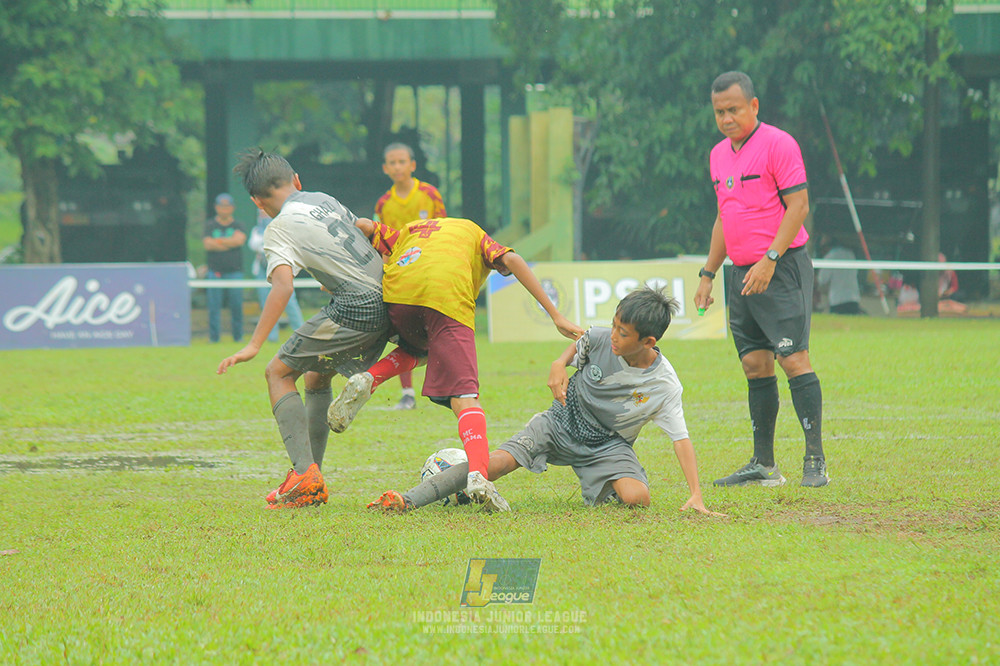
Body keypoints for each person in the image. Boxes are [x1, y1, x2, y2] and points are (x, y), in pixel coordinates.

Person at [367, 287, 726, 517]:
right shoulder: (600, 339)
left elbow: (680, 439)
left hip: (607, 445)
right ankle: (409, 499)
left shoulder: (664, 385)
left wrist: (696, 494)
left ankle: (596, 480)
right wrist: (558, 364)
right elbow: (576, 346)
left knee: (637, 499)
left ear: (648, 341)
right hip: (559, 423)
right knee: (493, 466)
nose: (613, 336)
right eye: (614, 325)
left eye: (624, 333)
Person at [326, 215, 584, 505]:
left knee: (420, 348)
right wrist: (555, 315)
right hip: (446, 298)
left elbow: (362, 226)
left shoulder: (411, 229)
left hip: (399, 297)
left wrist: (337, 279)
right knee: (465, 397)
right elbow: (513, 260)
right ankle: (478, 476)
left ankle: (370, 377)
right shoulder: (474, 233)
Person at [217, 149, 391, 509]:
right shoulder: (323, 199)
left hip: (356, 307)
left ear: (257, 202)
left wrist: (253, 344)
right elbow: (362, 234)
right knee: (315, 376)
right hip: (389, 297)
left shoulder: (276, 228)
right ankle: (311, 478)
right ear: (297, 180)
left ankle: (303, 475)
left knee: (277, 372)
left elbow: (282, 287)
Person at [694, 71, 829, 488]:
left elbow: (799, 206)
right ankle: (764, 465)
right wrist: (708, 273)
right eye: (719, 111)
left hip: (781, 268)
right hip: (740, 274)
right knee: (755, 364)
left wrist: (770, 259)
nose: (726, 118)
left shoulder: (778, 144)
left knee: (793, 358)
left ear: (753, 106)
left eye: (734, 109)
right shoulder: (718, 155)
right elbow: (724, 218)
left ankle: (815, 460)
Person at [374, 142, 447, 411]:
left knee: (436, 328)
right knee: (403, 330)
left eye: (402, 161)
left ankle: (444, 387)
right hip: (400, 273)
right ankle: (407, 393)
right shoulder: (384, 203)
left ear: (412, 165)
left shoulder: (429, 194)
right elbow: (381, 240)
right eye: (392, 163)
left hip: (429, 269)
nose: (397, 167)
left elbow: (443, 229)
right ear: (385, 168)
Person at [248, 209, 305, 342]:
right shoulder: (257, 229)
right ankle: (271, 336)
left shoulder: (282, 227)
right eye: (261, 212)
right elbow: (254, 244)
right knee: (266, 302)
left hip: (279, 268)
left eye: (265, 212)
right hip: (262, 269)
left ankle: (301, 333)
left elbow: (276, 243)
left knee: (289, 301)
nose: (263, 214)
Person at [203, 193, 247, 343]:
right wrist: (229, 242)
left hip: (235, 272)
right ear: (216, 208)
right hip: (214, 272)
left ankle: (238, 337)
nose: (224, 210)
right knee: (214, 307)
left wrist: (218, 242)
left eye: (227, 206)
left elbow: (239, 241)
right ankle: (214, 338)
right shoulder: (209, 225)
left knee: (236, 306)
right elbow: (208, 244)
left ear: (232, 208)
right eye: (221, 206)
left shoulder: (238, 225)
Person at [816, 236, 865, 315]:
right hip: (853, 298)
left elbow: (822, 279)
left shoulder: (830, 257)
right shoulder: (850, 254)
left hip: (838, 300)